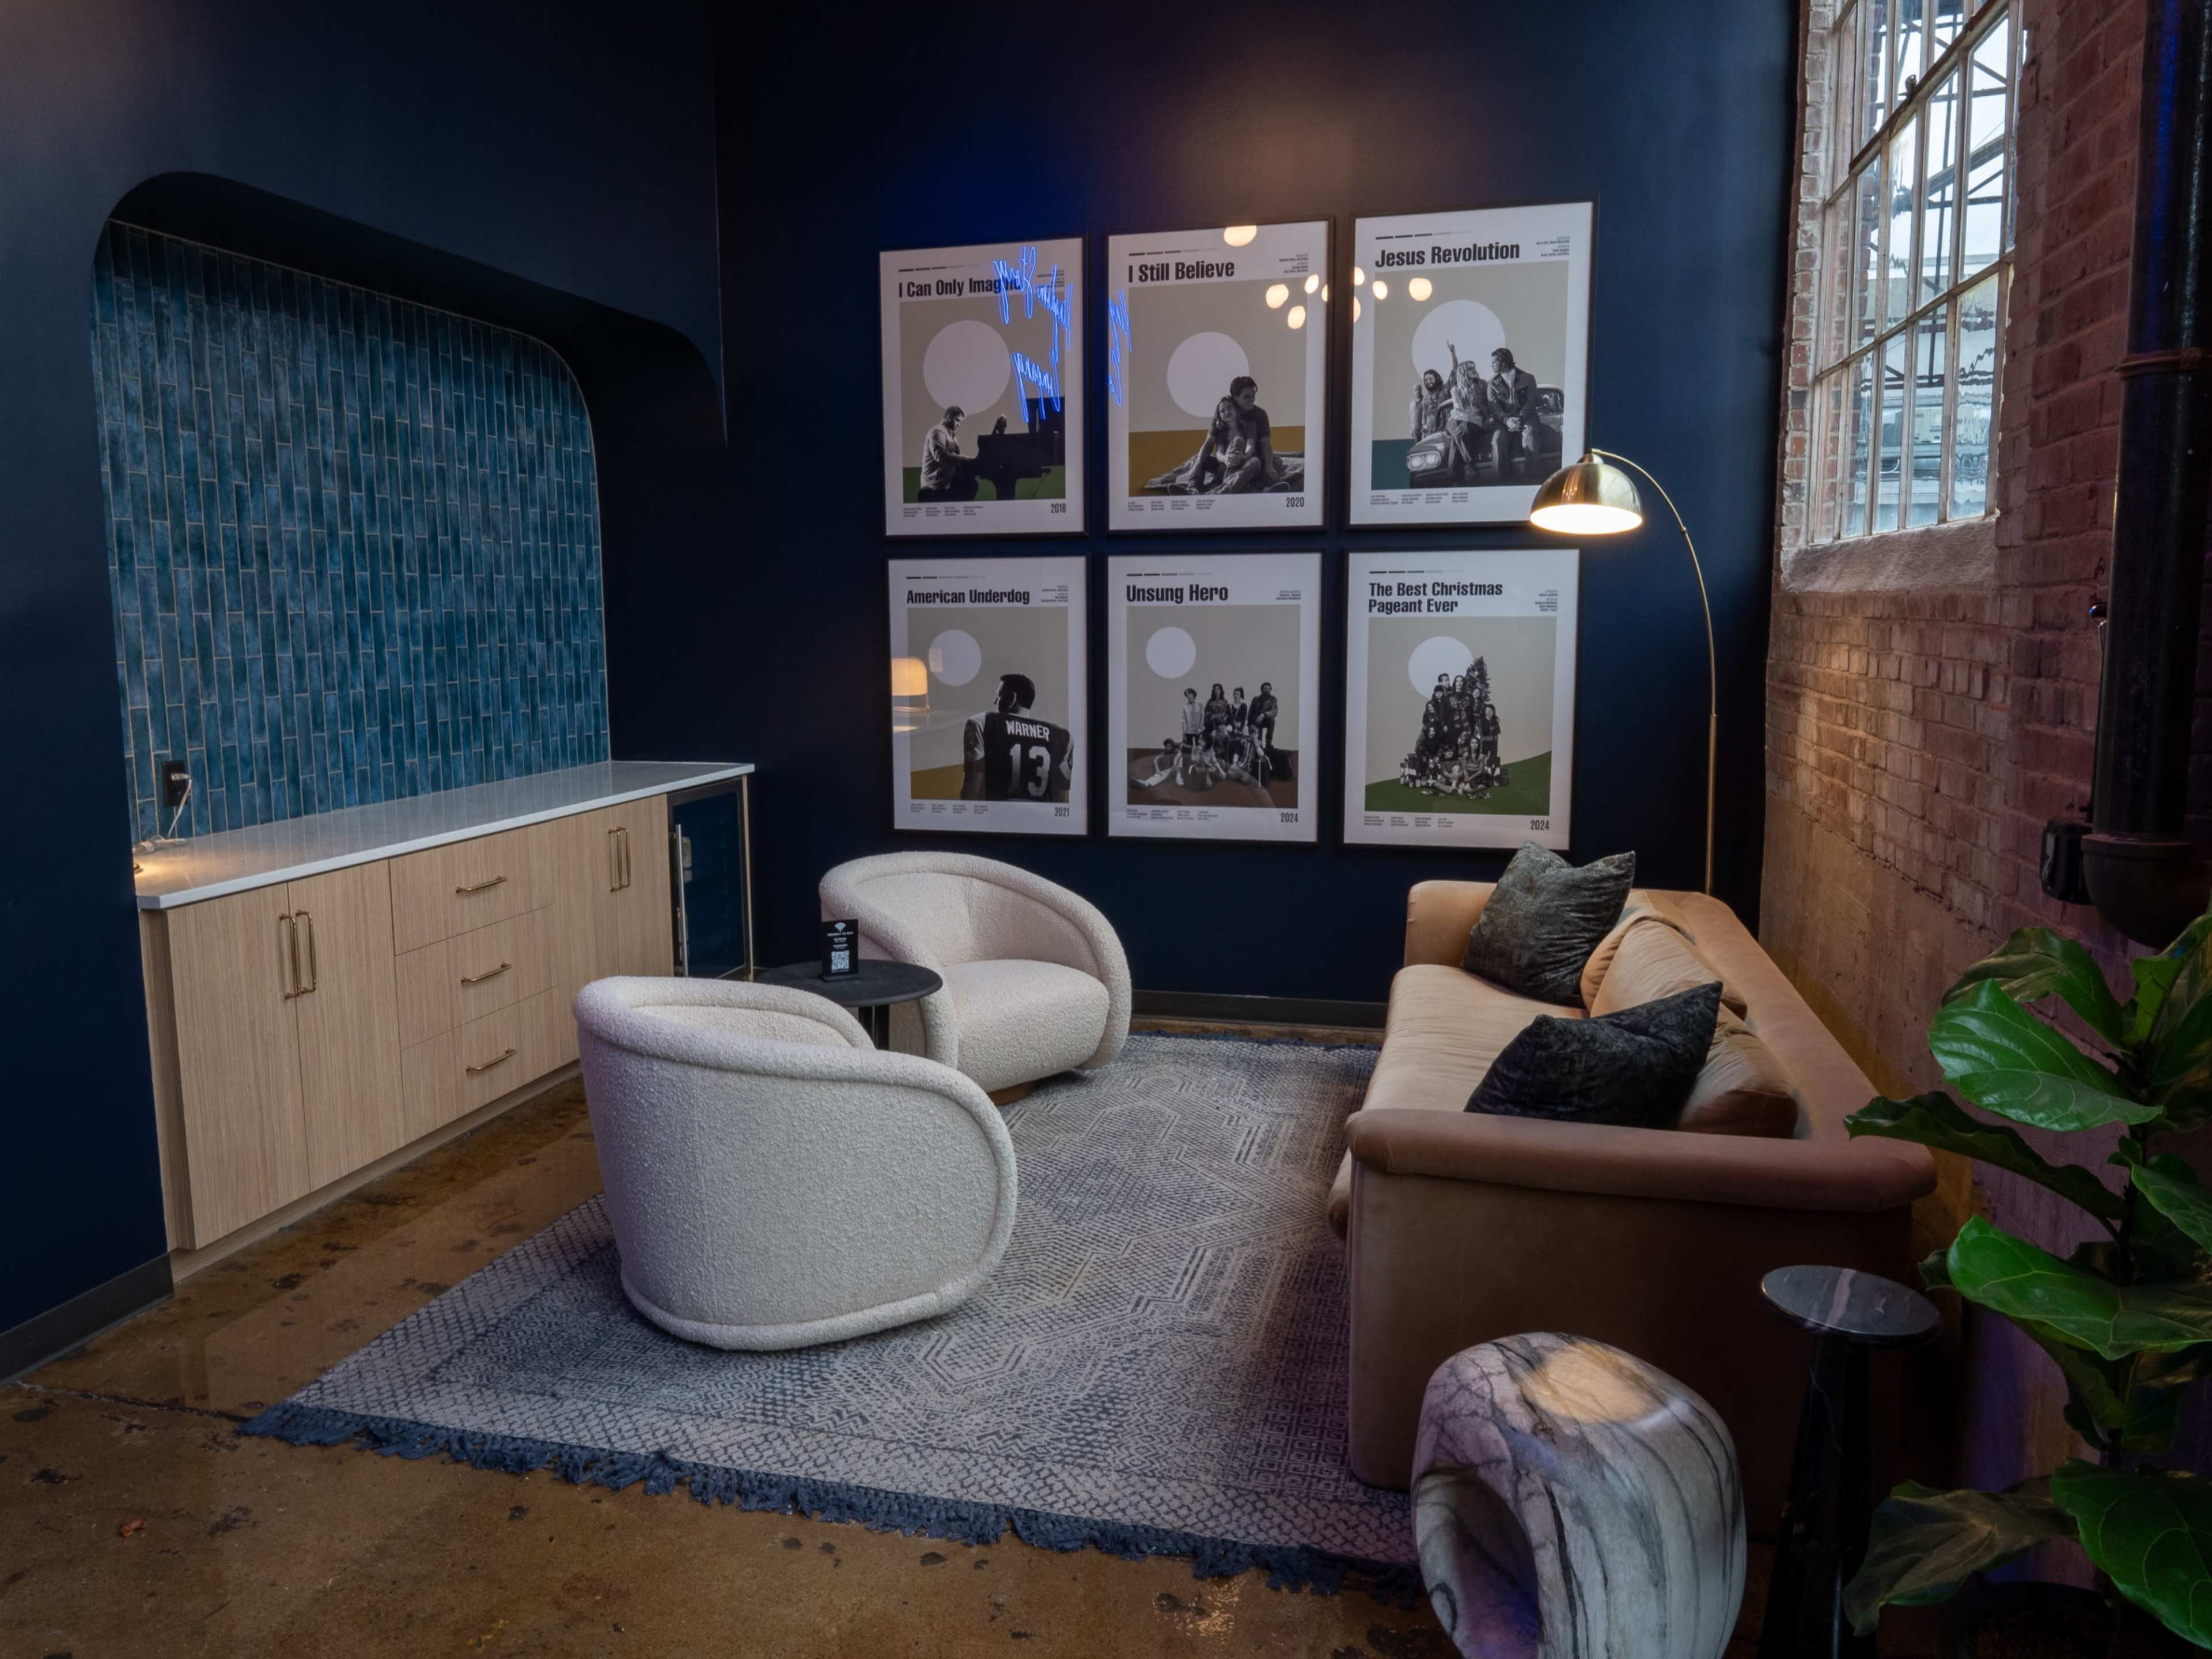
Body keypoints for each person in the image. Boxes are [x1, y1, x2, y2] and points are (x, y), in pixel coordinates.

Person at [960, 672, 1071, 802]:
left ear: (1012, 699)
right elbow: (1059, 802)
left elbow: (970, 795)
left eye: (999, 696)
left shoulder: (982, 724)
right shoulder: (1063, 736)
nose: (995, 701)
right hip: (1036, 820)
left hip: (995, 818)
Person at [1484, 348, 1543, 480]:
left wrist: (1521, 418)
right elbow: (1494, 408)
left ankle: (1534, 479)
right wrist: (1506, 420)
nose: (1491, 365)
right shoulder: (1492, 384)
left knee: (1530, 435)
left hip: (1526, 418)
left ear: (1504, 363)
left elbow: (1532, 401)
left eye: (1494, 362)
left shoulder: (1528, 378)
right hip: (1504, 421)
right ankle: (1501, 482)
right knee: (1498, 440)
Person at [1444, 345, 1490, 481]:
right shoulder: (1456, 390)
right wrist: (1464, 421)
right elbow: (1458, 408)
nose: (1474, 370)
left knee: (1455, 441)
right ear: (1464, 372)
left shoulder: (1482, 384)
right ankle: (1469, 464)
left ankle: (1454, 472)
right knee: (1458, 427)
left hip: (1476, 420)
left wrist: (1468, 421)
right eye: (1470, 369)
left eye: (1474, 367)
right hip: (1459, 418)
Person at [918, 406, 975, 501]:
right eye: (957, 420)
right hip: (933, 488)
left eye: (961, 422)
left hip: (945, 486)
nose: (959, 425)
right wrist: (968, 460)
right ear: (948, 417)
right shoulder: (937, 432)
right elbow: (942, 457)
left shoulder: (952, 437)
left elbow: (957, 462)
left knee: (972, 484)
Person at [1409, 368, 1450, 440]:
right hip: (1430, 433)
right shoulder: (1426, 398)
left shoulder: (1445, 391)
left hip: (1445, 431)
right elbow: (1425, 417)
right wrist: (1425, 428)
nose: (1428, 382)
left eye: (1431, 379)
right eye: (1426, 380)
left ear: (1437, 378)